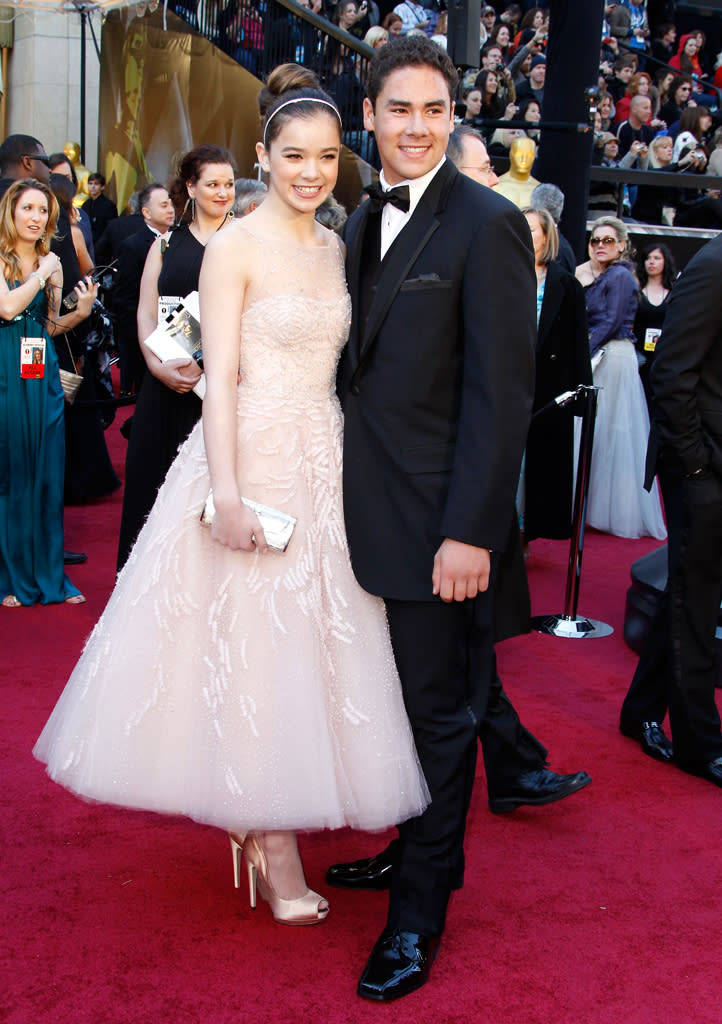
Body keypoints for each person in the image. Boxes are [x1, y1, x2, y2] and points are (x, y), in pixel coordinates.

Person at [34, 68, 430, 927]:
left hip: (325, 460)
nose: (312, 172)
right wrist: (227, 494)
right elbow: (217, 383)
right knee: (254, 645)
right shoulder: (234, 248)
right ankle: (267, 834)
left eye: (327, 157)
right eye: (295, 156)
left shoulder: (337, 246)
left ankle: (273, 811)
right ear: (264, 155)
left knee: (322, 647)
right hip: (248, 455)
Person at [336, 34, 538, 1001]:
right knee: (389, 705)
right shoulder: (359, 220)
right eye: (399, 110)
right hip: (359, 516)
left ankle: (417, 917)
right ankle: (411, 845)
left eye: (434, 110)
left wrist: (473, 531)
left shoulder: (488, 223)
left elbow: (501, 398)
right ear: (366, 118)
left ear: (452, 117)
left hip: (437, 529)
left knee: (440, 720)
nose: (417, 127)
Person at [620, 232, 722, 788]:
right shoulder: (716, 264)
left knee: (691, 592)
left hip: (709, 462)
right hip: (701, 469)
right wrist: (697, 469)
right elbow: (671, 373)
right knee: (698, 602)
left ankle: (639, 710)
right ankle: (700, 743)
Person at [116, 145, 236, 571]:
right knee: (153, 482)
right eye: (213, 184)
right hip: (164, 381)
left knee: (205, 489)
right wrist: (155, 366)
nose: (223, 193)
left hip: (220, 390)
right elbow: (147, 310)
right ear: (191, 186)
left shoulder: (243, 240)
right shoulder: (167, 243)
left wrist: (215, 365)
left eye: (228, 184)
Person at [0, 179, 98, 606]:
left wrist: (82, 311)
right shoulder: (9, 262)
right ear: (12, 213)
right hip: (5, 373)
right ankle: (11, 576)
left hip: (40, 370)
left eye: (44, 211)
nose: (37, 218)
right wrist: (39, 273)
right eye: (29, 209)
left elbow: (50, 325)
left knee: (45, 473)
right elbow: (6, 308)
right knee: (13, 471)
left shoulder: (54, 264)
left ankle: (48, 575)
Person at [576, 216, 666, 540]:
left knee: (612, 437)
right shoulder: (606, 275)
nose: (600, 245)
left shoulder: (620, 277)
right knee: (601, 438)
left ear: (623, 245)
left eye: (608, 241)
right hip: (606, 355)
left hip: (612, 357)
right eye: (595, 240)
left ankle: (612, 511)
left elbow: (611, 321)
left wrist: (581, 352)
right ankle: (596, 507)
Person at [521, 206, 592, 542]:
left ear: (547, 236)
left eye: (531, 229)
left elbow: (578, 342)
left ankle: (527, 532)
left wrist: (582, 394)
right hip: (508, 385)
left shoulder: (566, 284)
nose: (523, 234)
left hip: (549, 390)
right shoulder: (501, 275)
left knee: (541, 465)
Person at [112, 183, 176, 397]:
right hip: (144, 337)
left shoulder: (180, 239)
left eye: (171, 204)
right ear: (146, 212)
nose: (170, 209)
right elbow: (125, 297)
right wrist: (144, 336)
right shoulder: (133, 245)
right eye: (164, 205)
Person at [632, 242, 676, 409]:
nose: (651, 262)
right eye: (648, 258)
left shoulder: (673, 291)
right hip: (639, 355)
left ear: (665, 262)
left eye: (657, 258)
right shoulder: (636, 290)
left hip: (663, 355)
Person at [493, 135, 540, 207]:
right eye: (519, 155)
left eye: (529, 155)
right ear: (511, 154)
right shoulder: (496, 186)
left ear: (534, 157)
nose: (524, 160)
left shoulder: (539, 190)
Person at [82, 173, 118, 244]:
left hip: (103, 245)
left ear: (102, 187)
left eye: (96, 184)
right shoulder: (85, 205)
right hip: (88, 243)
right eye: (90, 183)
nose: (92, 186)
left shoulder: (109, 206)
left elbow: (111, 228)